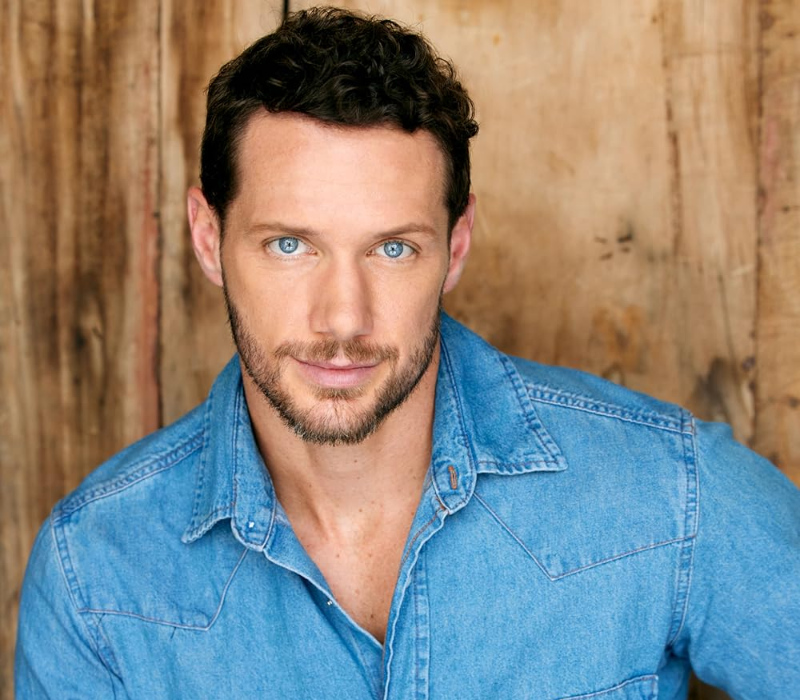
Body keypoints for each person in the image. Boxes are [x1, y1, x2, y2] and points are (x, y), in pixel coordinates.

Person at [15, 7, 800, 699]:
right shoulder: (96, 573)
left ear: (455, 247)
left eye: (393, 249)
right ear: (207, 236)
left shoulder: (669, 494)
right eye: (289, 245)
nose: (342, 318)